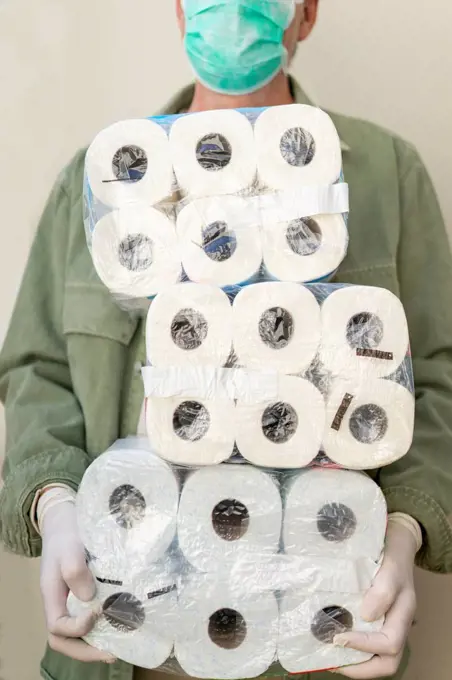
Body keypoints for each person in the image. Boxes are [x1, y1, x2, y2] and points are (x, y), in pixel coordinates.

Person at [1, 1, 452, 679]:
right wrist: (57, 507)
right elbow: (37, 370)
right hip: (124, 635)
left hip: (319, 638)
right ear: (179, 11)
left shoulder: (385, 174)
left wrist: (404, 529)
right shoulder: (105, 184)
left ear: (307, 12)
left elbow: (439, 379)